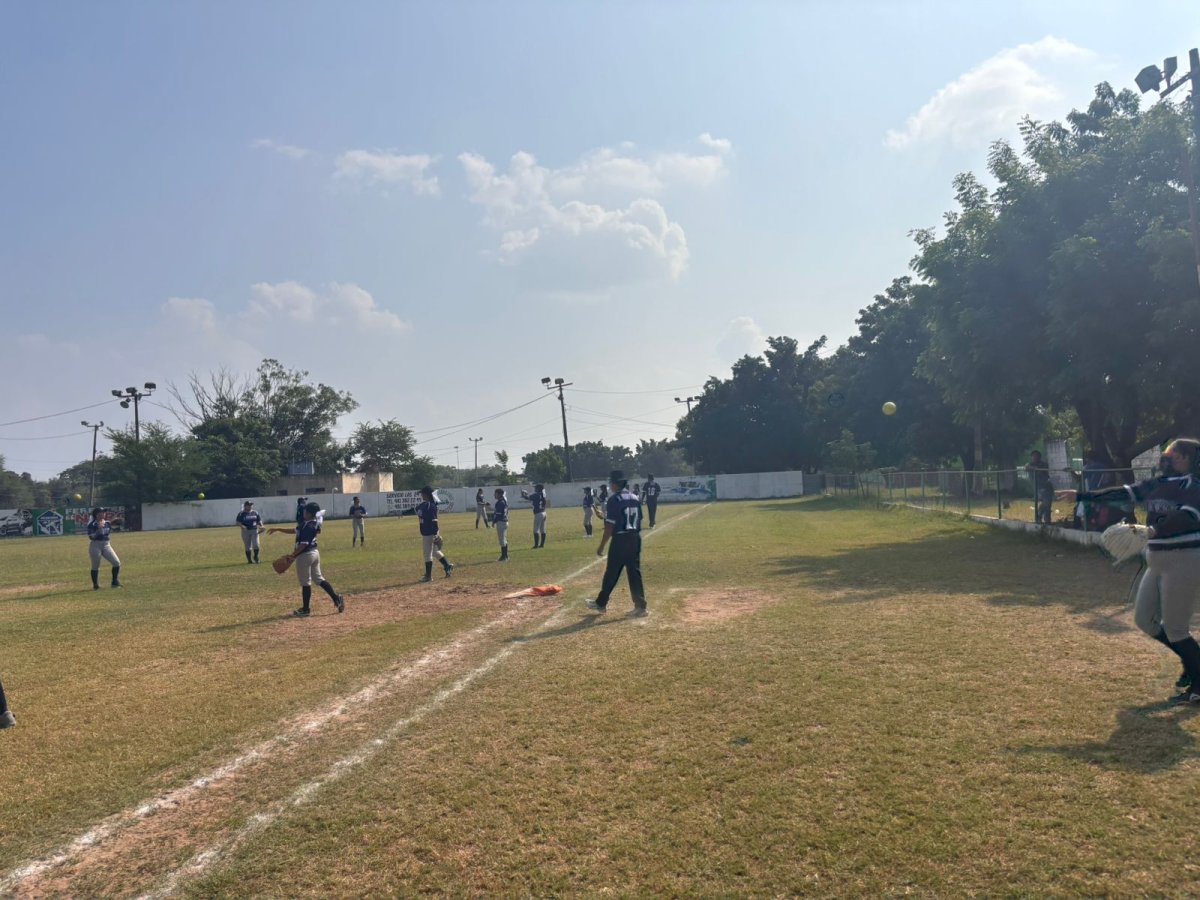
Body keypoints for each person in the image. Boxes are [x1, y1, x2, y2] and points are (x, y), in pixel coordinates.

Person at [1078, 438, 1200, 704]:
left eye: (1170, 452)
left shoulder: (1193, 486)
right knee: (1145, 619)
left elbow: (1188, 517)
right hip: (1157, 559)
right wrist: (1083, 496)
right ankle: (1193, 663)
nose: (1164, 456)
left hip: (1184, 559)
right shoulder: (1157, 483)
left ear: (1184, 458)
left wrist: (1155, 529)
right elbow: (1123, 493)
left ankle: (1198, 683)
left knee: (1176, 628)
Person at [586, 470, 647, 617]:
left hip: (620, 540)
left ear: (614, 484)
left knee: (612, 572)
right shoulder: (634, 497)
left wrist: (602, 545)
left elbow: (609, 527)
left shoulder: (614, 499)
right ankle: (640, 606)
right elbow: (639, 519)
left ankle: (601, 603)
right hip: (634, 538)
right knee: (634, 573)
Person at [268, 501, 345, 617]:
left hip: (305, 555)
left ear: (309, 513)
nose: (303, 511)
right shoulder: (310, 523)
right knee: (318, 579)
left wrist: (293, 555)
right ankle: (337, 598)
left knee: (305, 583)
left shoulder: (308, 526)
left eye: (305, 510)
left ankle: (305, 609)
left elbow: (303, 544)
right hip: (314, 554)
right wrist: (278, 529)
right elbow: (295, 530)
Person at [410, 486, 454, 581]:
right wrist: (401, 513)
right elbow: (414, 510)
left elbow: (434, 521)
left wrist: (435, 534)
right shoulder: (424, 505)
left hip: (430, 532)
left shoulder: (431, 506)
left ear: (426, 494)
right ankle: (447, 565)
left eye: (422, 493)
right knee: (434, 551)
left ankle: (428, 576)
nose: (421, 495)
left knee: (427, 553)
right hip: (427, 531)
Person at [87, 507, 122, 590]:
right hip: (95, 545)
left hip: (106, 544)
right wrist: (99, 529)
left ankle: (114, 582)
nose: (103, 514)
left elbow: (113, 526)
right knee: (95, 565)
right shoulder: (92, 524)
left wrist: (116, 523)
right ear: (96, 514)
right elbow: (91, 537)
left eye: (104, 512)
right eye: (101, 512)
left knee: (116, 562)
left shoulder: (107, 523)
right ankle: (96, 585)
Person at [1025, 451, 1054, 525]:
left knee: (1048, 503)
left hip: (1047, 485)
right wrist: (1033, 468)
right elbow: (1026, 467)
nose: (1035, 457)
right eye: (1033, 456)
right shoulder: (1030, 464)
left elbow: (1043, 471)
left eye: (1036, 456)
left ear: (1039, 457)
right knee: (1046, 502)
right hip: (1038, 486)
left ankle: (1047, 520)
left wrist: (1036, 468)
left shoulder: (1044, 464)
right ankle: (1039, 516)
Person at [529, 483, 548, 548]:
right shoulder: (543, 494)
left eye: (535, 488)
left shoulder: (536, 495)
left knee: (536, 530)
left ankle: (536, 545)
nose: (535, 489)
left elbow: (528, 497)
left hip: (538, 513)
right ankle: (542, 544)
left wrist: (524, 495)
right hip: (544, 512)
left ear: (538, 489)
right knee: (542, 529)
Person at [493, 488, 510, 561]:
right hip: (505, 521)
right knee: (504, 539)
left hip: (501, 522)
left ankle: (504, 556)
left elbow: (498, 515)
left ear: (499, 494)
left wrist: (494, 522)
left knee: (502, 540)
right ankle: (506, 556)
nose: (494, 495)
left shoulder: (500, 503)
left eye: (496, 493)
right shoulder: (504, 501)